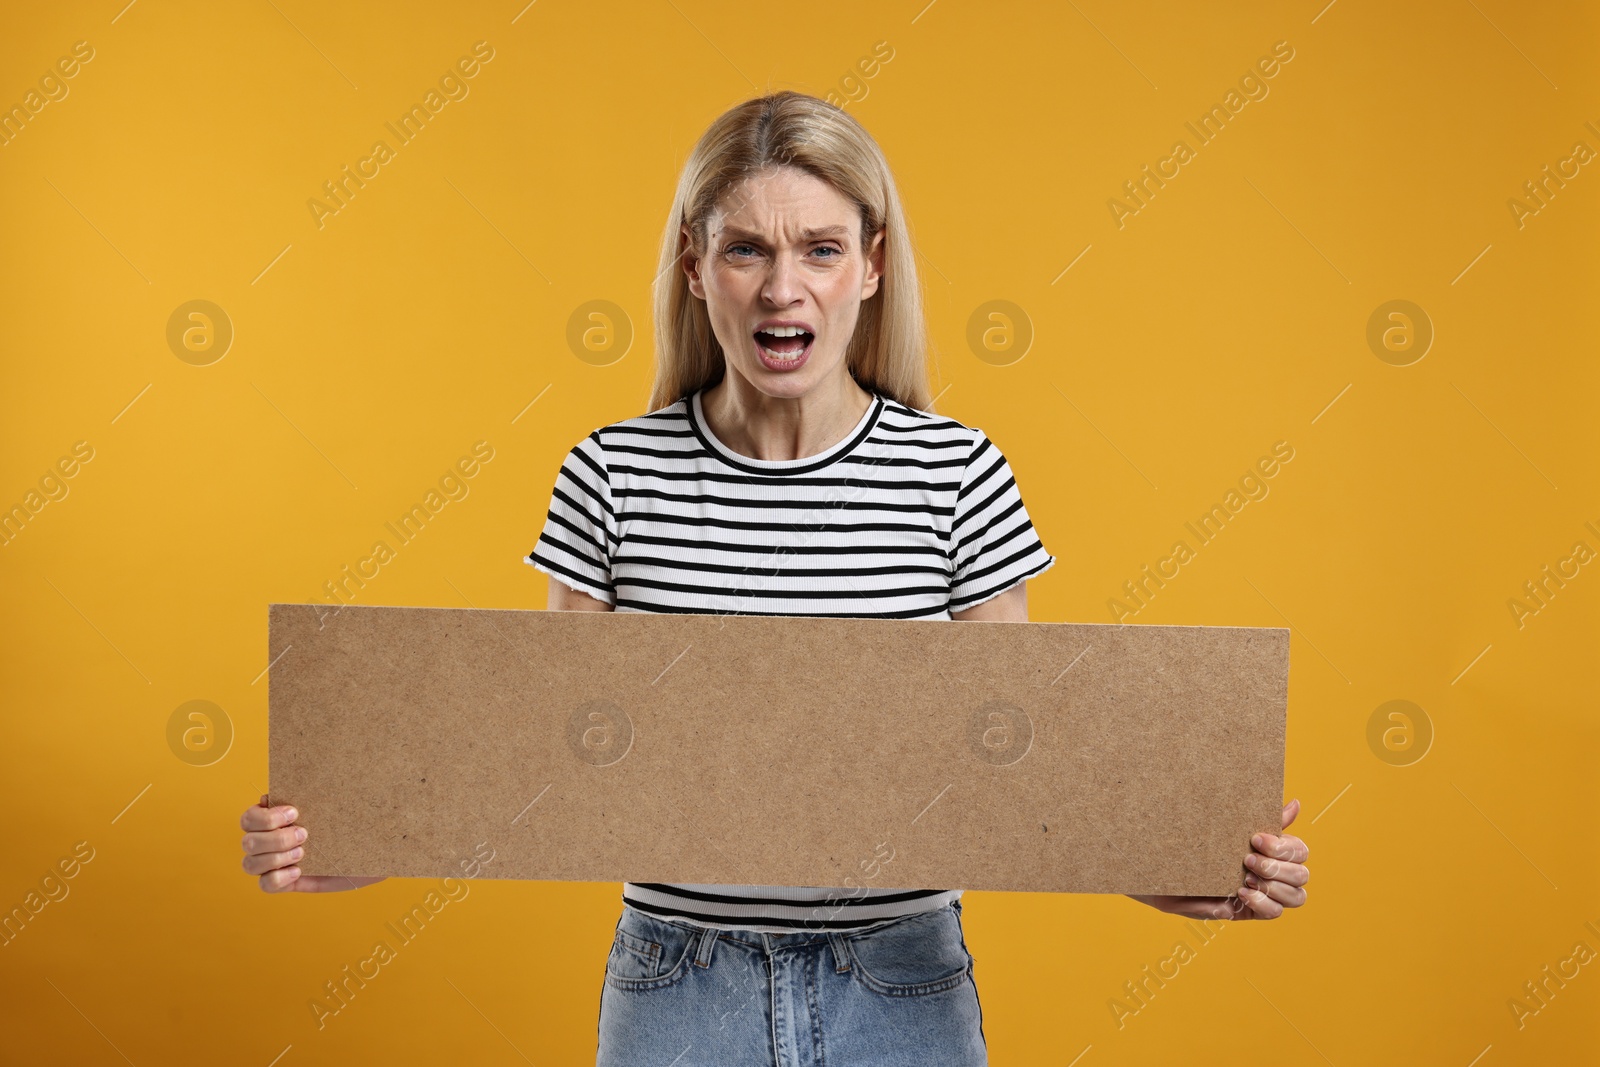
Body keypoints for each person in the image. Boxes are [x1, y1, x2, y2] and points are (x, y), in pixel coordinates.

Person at [239, 90, 1310, 1065]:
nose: (782, 285)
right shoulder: (610, 474)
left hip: (901, 979)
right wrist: (362, 833)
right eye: (745, 248)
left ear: (874, 263)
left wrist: (1183, 864)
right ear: (695, 265)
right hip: (673, 983)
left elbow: (1012, 763)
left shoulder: (956, 474)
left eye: (821, 248)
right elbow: (554, 754)